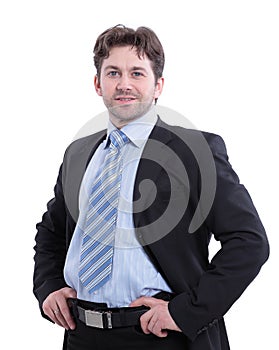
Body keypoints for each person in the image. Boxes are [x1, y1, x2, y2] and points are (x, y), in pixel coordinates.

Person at [33, 25, 269, 350]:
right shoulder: (79, 153)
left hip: (159, 336)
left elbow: (249, 241)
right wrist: (48, 285)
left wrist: (186, 312)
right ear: (97, 83)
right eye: (113, 72)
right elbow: (51, 232)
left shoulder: (194, 152)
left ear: (158, 86)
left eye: (137, 73)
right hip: (82, 335)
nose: (124, 84)